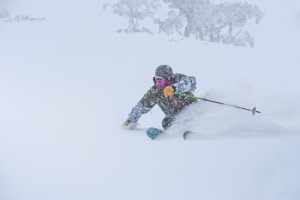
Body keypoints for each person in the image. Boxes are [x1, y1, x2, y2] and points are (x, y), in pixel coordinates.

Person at [123, 65, 197, 130]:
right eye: (159, 82)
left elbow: (191, 81)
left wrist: (174, 88)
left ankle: (197, 127)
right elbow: (141, 106)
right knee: (166, 122)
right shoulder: (155, 91)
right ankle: (178, 132)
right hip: (177, 118)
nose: (163, 85)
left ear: (171, 78)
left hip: (193, 111)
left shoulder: (177, 78)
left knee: (193, 116)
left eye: (166, 82)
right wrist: (130, 120)